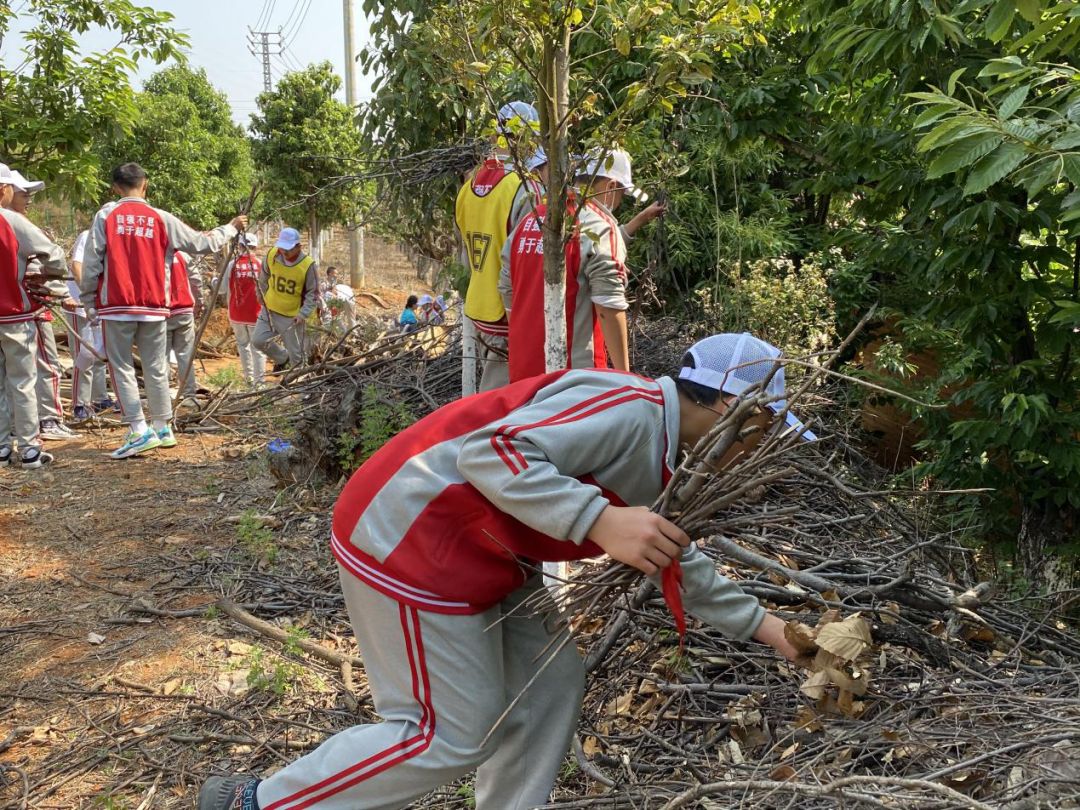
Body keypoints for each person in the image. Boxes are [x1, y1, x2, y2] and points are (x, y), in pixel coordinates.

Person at [198, 332, 813, 810]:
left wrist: (776, 633)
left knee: (547, 685)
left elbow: (668, 552)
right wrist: (599, 520)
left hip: (488, 550)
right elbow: (491, 450)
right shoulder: (632, 411)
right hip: (411, 533)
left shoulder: (672, 451)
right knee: (443, 736)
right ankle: (258, 801)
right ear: (736, 407)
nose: (759, 447)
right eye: (763, 430)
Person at [79, 162, 247, 459]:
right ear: (145, 184)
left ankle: (138, 430)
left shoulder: (106, 215)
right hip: (156, 307)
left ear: (116, 187)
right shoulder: (160, 218)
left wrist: (90, 300)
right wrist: (230, 228)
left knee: (121, 368)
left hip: (117, 306)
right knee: (156, 366)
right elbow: (201, 243)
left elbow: (93, 262)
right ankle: (163, 426)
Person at [501, 148, 662, 383]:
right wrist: (625, 377)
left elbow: (506, 288)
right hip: (576, 379)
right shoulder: (599, 225)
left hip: (522, 372)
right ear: (610, 187)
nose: (618, 203)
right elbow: (609, 307)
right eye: (620, 194)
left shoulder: (532, 218)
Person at [455, 100, 546, 392]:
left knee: (488, 391)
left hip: (479, 306)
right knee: (500, 400)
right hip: (509, 312)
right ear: (528, 137)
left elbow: (465, 248)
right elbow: (528, 256)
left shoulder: (469, 186)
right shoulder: (525, 187)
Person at [0, 169, 80, 440]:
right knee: (27, 377)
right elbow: (52, 256)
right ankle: (33, 438)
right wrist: (53, 286)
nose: (28, 199)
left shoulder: (18, 223)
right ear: (4, 190)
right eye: (22, 192)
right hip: (18, 313)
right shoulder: (13, 223)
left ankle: (5, 441)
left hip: (19, 310)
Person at [252, 227, 319, 373]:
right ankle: (283, 358)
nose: (284, 252)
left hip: (292, 317)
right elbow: (263, 277)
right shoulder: (272, 255)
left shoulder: (308, 266)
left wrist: (303, 314)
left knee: (298, 357)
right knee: (258, 340)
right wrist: (260, 295)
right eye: (282, 248)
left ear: (298, 247)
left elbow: (312, 294)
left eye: (288, 249)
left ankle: (301, 391)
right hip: (269, 310)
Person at [66, 228, 115, 420]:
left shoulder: (114, 237)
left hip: (101, 307)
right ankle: (80, 404)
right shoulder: (89, 236)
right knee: (83, 355)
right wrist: (88, 295)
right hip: (81, 306)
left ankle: (100, 398)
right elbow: (76, 265)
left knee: (99, 352)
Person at [219, 233, 265, 387]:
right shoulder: (260, 264)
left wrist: (213, 280)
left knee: (243, 345)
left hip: (236, 312)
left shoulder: (232, 264)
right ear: (255, 247)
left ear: (239, 246)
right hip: (256, 313)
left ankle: (249, 378)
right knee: (258, 348)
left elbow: (222, 289)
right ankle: (260, 382)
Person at [166, 250, 201, 405]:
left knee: (161, 357)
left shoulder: (153, 254)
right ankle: (189, 395)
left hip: (163, 312)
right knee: (185, 355)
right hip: (185, 311)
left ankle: (162, 396)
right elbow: (196, 280)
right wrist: (200, 302)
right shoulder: (182, 255)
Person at [323, 265, 356, 331]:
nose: (337, 275)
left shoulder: (334, 283)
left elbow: (335, 292)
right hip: (328, 306)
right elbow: (321, 296)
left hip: (336, 304)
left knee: (338, 318)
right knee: (334, 319)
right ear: (330, 274)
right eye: (335, 273)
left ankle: (351, 332)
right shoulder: (323, 284)